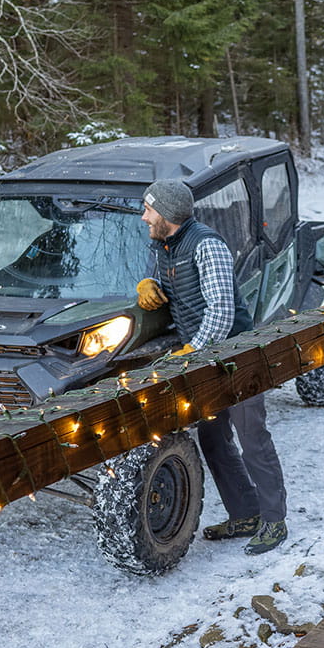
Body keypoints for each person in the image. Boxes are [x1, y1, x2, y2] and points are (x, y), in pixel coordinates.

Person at [134, 178, 289, 556]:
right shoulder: (166, 245)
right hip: (206, 360)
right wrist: (149, 283)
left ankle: (274, 521)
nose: (143, 217)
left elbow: (220, 310)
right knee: (213, 437)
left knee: (252, 437)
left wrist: (192, 350)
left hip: (239, 356)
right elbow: (181, 287)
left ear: (167, 214)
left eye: (148, 209)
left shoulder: (207, 245)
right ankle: (246, 514)